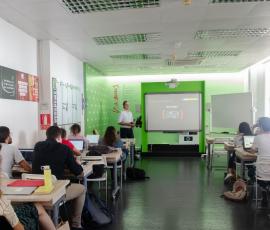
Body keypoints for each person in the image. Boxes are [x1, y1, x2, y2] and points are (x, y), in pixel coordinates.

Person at [32, 126, 85, 230]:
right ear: (59, 137)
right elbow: (78, 172)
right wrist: (76, 163)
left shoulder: (37, 145)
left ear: (46, 135)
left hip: (37, 190)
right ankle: (76, 223)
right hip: (54, 191)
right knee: (82, 189)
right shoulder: (64, 148)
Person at [0, 147, 56, 230]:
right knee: (37, 207)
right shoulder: (2, 202)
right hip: (11, 221)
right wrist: (32, 171)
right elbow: (17, 226)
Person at [249, 117, 270, 207]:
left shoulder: (258, 137)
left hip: (261, 173)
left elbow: (252, 151)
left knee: (251, 171)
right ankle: (266, 189)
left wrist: (254, 129)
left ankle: (264, 191)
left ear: (260, 126)